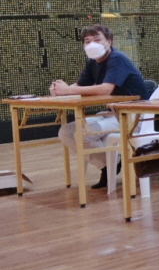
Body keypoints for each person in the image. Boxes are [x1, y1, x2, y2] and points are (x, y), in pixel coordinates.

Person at [53, 24, 151, 189]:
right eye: (87, 41)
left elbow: (106, 89)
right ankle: (109, 164)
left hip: (133, 114)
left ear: (109, 42)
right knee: (65, 132)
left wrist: (68, 90)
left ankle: (111, 165)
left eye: (97, 40)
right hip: (111, 113)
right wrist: (60, 90)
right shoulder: (92, 62)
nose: (92, 44)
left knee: (83, 135)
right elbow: (79, 86)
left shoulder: (117, 59)